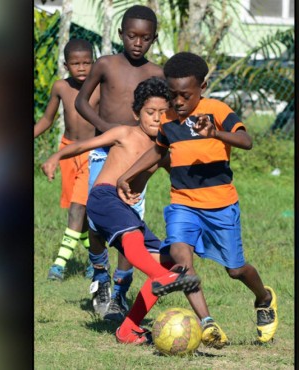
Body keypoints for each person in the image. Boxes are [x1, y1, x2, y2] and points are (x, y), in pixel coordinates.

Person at [117, 52, 279, 345]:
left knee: (236, 269)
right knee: (181, 258)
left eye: (185, 95)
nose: (177, 101)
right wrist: (126, 175)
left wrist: (216, 133)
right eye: (172, 94)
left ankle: (264, 298)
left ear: (202, 87)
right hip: (183, 203)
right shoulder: (167, 119)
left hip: (221, 205)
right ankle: (207, 323)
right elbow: (158, 151)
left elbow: (246, 141)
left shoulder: (216, 110)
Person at [42, 77, 200, 343]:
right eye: (151, 113)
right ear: (136, 113)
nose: (157, 118)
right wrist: (56, 157)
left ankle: (128, 329)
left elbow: (183, 176)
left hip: (127, 212)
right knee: (143, 249)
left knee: (171, 262)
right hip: (103, 197)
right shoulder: (125, 133)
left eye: (164, 113)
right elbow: (83, 146)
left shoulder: (162, 151)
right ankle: (160, 278)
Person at [74, 5, 165, 321]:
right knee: (95, 220)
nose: (137, 43)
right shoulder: (106, 64)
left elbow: (164, 115)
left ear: (154, 38)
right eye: (132, 36)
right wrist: (107, 127)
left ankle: (119, 294)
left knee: (132, 227)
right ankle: (100, 276)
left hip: (138, 157)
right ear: (120, 34)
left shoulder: (158, 74)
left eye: (145, 37)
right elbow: (81, 101)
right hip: (104, 154)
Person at [34, 39, 100, 281]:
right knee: (77, 213)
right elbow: (47, 120)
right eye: (76, 63)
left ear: (94, 62)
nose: (82, 68)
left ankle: (59, 265)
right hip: (66, 152)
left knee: (78, 207)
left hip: (92, 152)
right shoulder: (60, 87)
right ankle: (96, 260)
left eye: (86, 63)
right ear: (66, 64)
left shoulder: (100, 88)